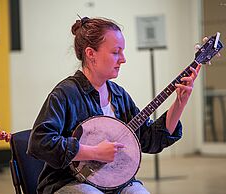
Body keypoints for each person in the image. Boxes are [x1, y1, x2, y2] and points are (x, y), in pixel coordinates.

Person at [27, 17, 201, 194]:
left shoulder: (118, 95)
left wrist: (180, 102)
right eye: (116, 52)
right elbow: (40, 142)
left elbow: (149, 140)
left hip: (116, 183)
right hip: (67, 181)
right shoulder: (66, 93)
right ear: (90, 53)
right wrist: (94, 152)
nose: (123, 59)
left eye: (122, 52)